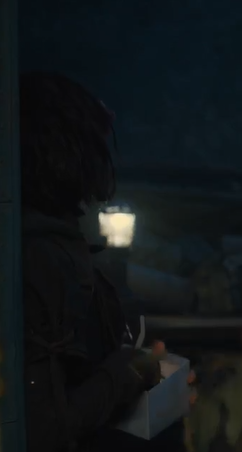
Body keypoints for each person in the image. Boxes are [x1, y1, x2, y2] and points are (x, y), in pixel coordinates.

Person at [20, 71, 192, 452]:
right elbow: (43, 428)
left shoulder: (51, 245)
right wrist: (129, 370)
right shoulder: (43, 257)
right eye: (94, 142)